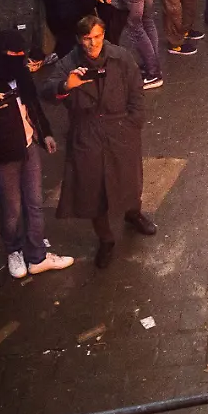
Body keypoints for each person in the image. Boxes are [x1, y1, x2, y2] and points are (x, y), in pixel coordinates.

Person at [0, 30, 75, 277]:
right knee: (11, 209)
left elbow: (32, 105)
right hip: (0, 158)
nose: (21, 61)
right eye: (15, 56)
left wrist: (45, 133)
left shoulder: (21, 76)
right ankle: (14, 249)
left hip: (27, 147)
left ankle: (36, 256)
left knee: (34, 203)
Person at [52, 15, 155, 268]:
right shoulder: (68, 63)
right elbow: (47, 89)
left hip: (119, 128)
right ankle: (105, 239)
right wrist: (66, 85)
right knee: (92, 188)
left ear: (104, 35)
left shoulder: (120, 57)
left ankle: (133, 213)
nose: (92, 43)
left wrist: (133, 122)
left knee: (129, 177)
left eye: (97, 37)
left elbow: (136, 91)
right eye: (87, 38)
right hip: (86, 132)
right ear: (79, 39)